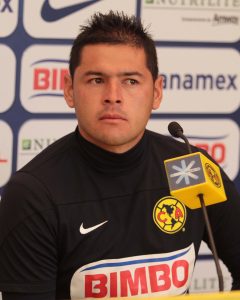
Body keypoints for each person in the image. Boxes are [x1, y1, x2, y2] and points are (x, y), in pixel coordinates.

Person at [0, 11, 240, 300]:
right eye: (96, 79)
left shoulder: (189, 166)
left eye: (131, 81)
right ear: (69, 90)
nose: (113, 95)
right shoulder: (33, 195)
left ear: (157, 92)